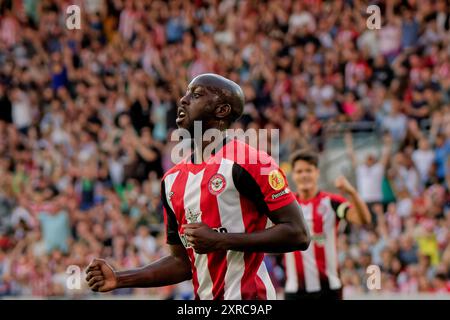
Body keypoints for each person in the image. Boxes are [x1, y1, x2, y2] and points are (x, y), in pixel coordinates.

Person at [86, 73, 310, 300]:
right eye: (186, 93)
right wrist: (120, 278)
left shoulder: (251, 162)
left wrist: (220, 240)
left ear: (221, 111)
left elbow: (298, 234)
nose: (183, 100)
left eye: (196, 95)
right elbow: (181, 262)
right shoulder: (172, 180)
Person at [283, 149, 371, 299]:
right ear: (293, 175)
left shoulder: (331, 202)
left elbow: (363, 220)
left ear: (317, 172)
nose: (304, 175)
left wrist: (352, 193)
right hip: (295, 290)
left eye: (308, 170)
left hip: (329, 289)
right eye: (299, 171)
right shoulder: (285, 205)